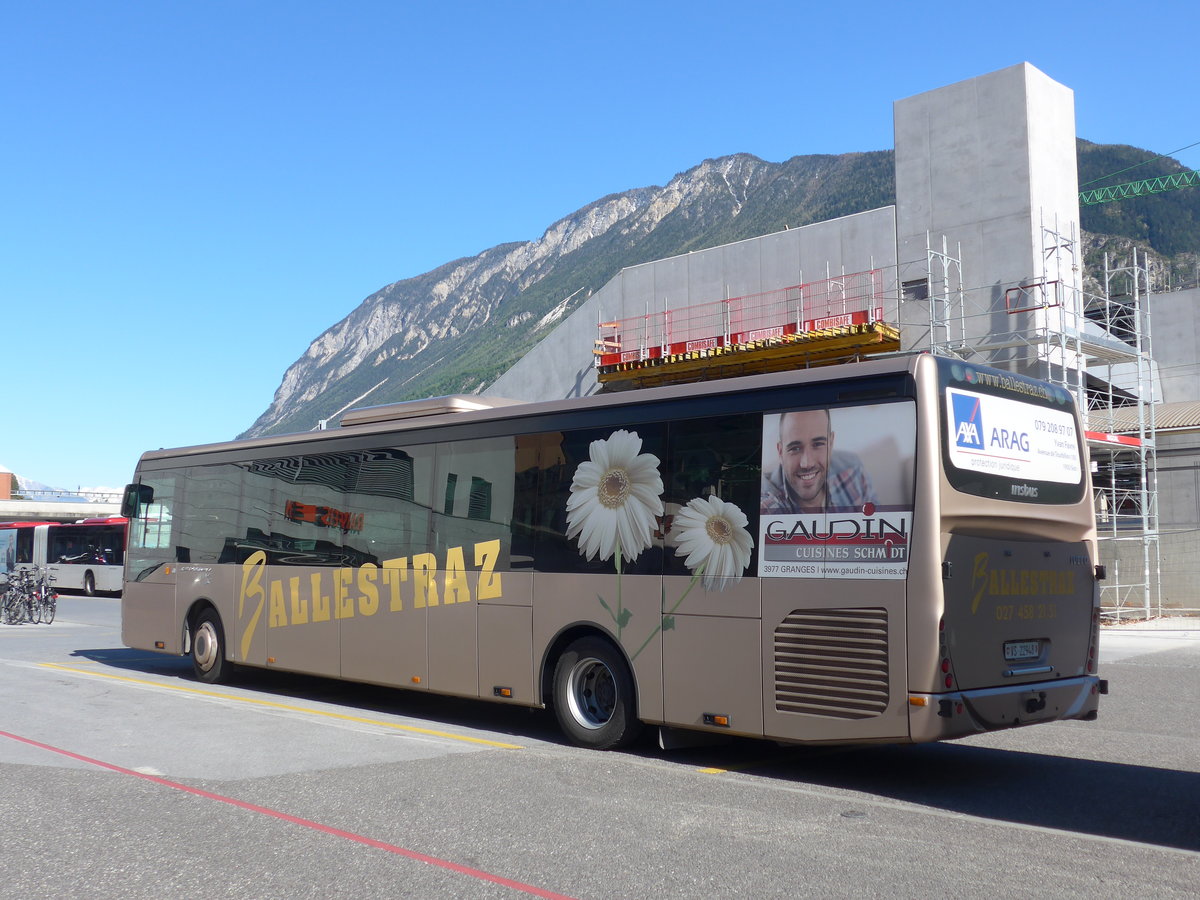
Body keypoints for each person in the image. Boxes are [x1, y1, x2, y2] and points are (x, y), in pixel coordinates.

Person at [760, 409, 876, 513]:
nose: (807, 463)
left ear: (830, 444)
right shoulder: (765, 506)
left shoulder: (854, 471)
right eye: (795, 448)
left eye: (818, 444)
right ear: (780, 452)